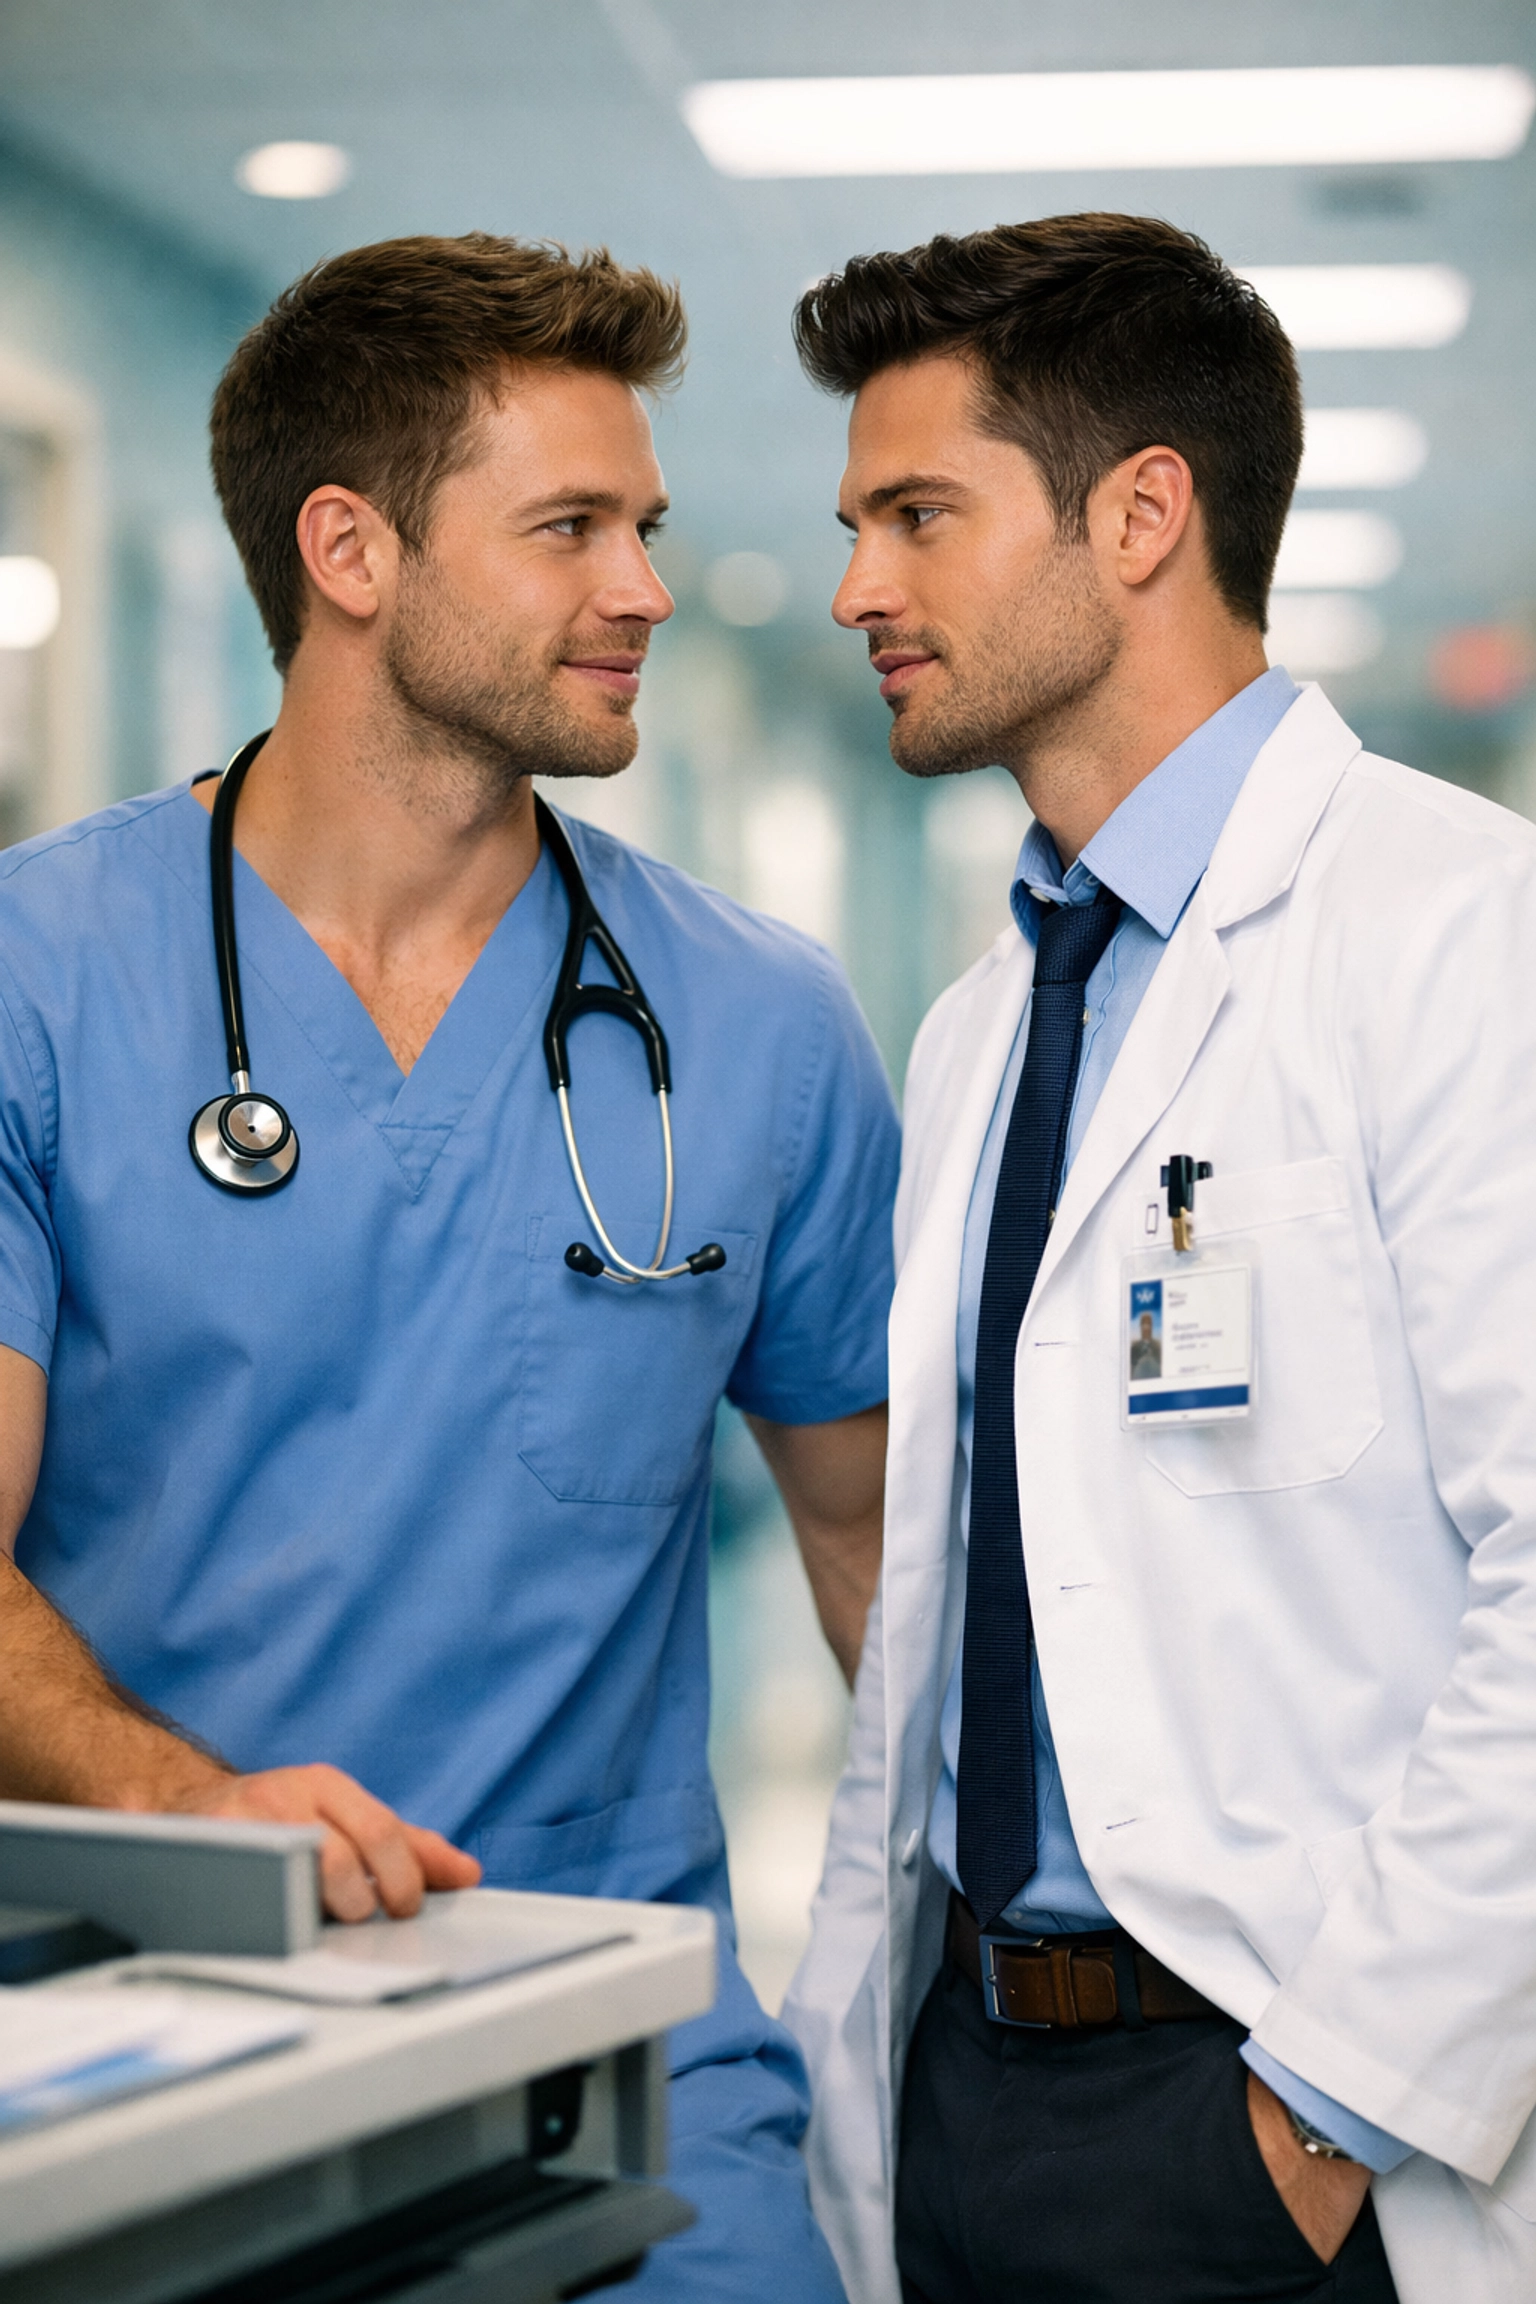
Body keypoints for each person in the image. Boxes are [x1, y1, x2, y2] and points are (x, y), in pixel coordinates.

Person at [0, 233, 898, 2302]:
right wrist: (188, 1806)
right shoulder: (43, 991)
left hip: (629, 2064)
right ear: (352, 550)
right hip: (135, 2038)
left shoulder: (757, 1025)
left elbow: (882, 1574)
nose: (647, 588)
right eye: (573, 526)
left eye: (646, 527)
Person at [781, 213, 1536, 2304]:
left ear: (1138, 516)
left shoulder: (1462, 934)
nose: (860, 588)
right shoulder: (982, 1028)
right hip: (964, 2096)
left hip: (1285, 2129)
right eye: (857, 524)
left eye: (917, 515)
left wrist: (1318, 2123)